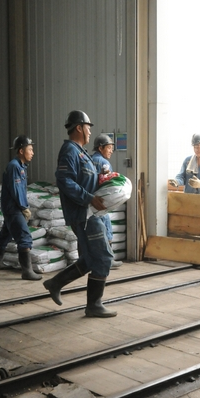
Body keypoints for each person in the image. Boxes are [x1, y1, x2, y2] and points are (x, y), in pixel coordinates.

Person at [43, 110, 117, 318]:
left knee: (91, 258)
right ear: (79, 127)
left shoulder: (81, 152)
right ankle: (94, 305)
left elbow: (84, 179)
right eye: (88, 127)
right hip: (84, 215)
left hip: (90, 213)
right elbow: (64, 181)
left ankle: (55, 283)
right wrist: (89, 198)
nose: (90, 132)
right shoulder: (70, 151)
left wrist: (103, 177)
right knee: (103, 257)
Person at [0, 136, 42, 281]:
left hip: (12, 208)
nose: (32, 153)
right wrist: (24, 207)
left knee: (5, 235)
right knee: (24, 237)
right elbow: (16, 190)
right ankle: (27, 271)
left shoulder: (20, 166)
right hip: (13, 208)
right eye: (30, 149)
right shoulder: (14, 166)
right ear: (21, 151)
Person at [91, 133, 123, 269]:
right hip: (100, 201)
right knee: (106, 229)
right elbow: (108, 183)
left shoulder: (90, 159)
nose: (111, 151)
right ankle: (108, 260)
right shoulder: (104, 163)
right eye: (109, 148)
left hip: (90, 200)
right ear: (100, 148)